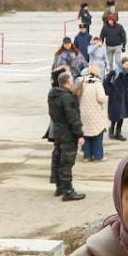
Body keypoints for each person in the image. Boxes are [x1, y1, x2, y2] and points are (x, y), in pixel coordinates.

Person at [47, 72, 85, 201]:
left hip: (58, 131)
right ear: (68, 83)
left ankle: (60, 187)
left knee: (58, 158)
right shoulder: (67, 97)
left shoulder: (53, 94)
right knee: (67, 162)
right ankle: (68, 190)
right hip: (68, 133)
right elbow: (72, 117)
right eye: (72, 81)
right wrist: (79, 134)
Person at [77, 66, 108, 162]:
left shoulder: (83, 83)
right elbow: (101, 99)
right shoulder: (97, 84)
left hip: (84, 113)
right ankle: (98, 155)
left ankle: (87, 156)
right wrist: (107, 97)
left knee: (86, 134)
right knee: (97, 134)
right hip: (95, 113)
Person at [104, 58, 128, 141]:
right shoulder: (114, 73)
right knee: (115, 115)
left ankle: (118, 132)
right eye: (125, 64)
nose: (127, 66)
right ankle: (111, 129)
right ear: (121, 64)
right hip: (116, 97)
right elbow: (106, 83)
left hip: (124, 98)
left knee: (122, 114)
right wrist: (110, 92)